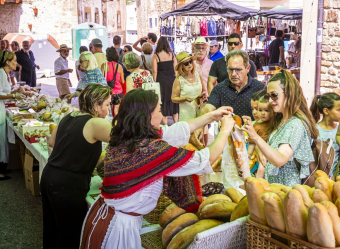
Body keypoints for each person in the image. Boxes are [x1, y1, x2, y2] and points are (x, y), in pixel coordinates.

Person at [79, 89, 235, 249]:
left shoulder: (128, 135)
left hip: (104, 217)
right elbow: (205, 159)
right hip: (117, 228)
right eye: (159, 111)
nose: (162, 116)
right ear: (146, 116)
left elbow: (175, 131)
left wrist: (211, 116)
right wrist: (224, 131)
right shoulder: (151, 149)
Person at [41, 84, 112, 249]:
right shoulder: (96, 123)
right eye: (107, 104)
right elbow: (125, 141)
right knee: (70, 236)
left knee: (52, 230)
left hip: (49, 175)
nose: (109, 109)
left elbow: (51, 142)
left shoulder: (69, 116)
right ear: (96, 106)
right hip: (68, 184)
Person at [242, 69, 318, 186]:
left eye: (274, 95)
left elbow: (280, 159)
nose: (270, 101)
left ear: (289, 93)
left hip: (286, 193)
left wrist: (255, 137)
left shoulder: (296, 123)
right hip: (275, 192)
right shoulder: (281, 119)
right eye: (268, 96)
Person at [201, 50, 265, 119]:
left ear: (248, 68)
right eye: (230, 69)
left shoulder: (260, 88)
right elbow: (209, 108)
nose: (234, 74)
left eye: (238, 70)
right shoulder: (219, 89)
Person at [0, 51, 25, 181]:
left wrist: (15, 91)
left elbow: (4, 91)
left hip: (2, 109)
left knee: (2, 141)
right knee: (0, 142)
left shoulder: (5, 73)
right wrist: (14, 95)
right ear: (7, 62)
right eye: (14, 61)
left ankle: (2, 166)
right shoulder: (0, 73)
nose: (16, 63)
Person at [310, 92, 340, 176]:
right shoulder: (314, 131)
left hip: (335, 179)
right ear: (326, 111)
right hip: (317, 178)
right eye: (339, 110)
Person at [172, 52, 207, 122]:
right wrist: (185, 99)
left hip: (199, 111)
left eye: (190, 61)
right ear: (181, 66)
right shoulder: (179, 80)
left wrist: (203, 95)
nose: (189, 64)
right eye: (186, 63)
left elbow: (204, 90)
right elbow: (173, 98)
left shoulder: (198, 75)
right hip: (186, 114)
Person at [152, 36, 179, 125]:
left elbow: (154, 71)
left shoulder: (156, 56)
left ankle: (165, 123)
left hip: (161, 81)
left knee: (163, 100)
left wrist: (155, 83)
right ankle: (176, 122)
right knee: (173, 100)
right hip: (172, 80)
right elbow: (176, 69)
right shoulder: (172, 55)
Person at [247, 97, 275, 178]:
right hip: (262, 153)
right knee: (261, 168)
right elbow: (252, 142)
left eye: (266, 110)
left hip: (272, 151)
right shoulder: (256, 125)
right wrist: (248, 154)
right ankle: (257, 185)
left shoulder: (274, 123)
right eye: (260, 110)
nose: (263, 113)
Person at [103, 46, 125, 116]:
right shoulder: (119, 66)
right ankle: (117, 124)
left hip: (107, 91)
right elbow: (122, 81)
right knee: (117, 111)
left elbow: (102, 79)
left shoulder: (104, 66)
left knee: (108, 111)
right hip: (118, 92)